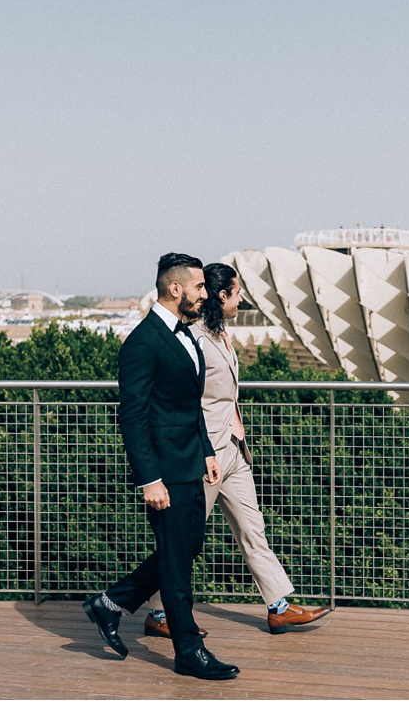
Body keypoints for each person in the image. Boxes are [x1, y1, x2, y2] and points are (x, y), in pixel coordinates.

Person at [143, 262, 331, 639]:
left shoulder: (222, 332)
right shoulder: (192, 338)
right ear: (221, 296)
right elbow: (184, 400)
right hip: (204, 453)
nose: (242, 298)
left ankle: (278, 606)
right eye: (237, 292)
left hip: (233, 448)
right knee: (187, 538)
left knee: (252, 529)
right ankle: (158, 612)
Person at [82, 253, 239, 681]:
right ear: (176, 289)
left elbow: (190, 407)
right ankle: (189, 650)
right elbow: (132, 417)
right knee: (176, 562)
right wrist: (149, 478)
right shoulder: (143, 342)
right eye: (200, 287)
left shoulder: (188, 335)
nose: (205, 294)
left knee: (184, 550)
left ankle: (110, 603)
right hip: (164, 471)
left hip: (192, 461)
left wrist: (207, 450)